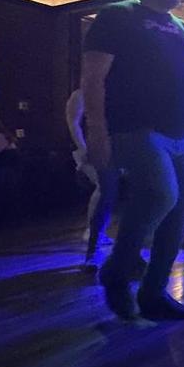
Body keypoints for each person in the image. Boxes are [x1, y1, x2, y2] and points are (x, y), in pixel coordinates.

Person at [81, 0, 184, 321]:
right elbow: (93, 77)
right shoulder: (117, 15)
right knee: (161, 194)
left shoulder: (183, 28)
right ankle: (117, 272)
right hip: (133, 127)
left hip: (180, 132)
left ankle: (154, 293)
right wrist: (96, 130)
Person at [66, 88, 120, 268]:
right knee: (103, 190)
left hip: (108, 147)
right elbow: (73, 122)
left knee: (104, 190)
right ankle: (92, 235)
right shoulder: (80, 94)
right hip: (92, 148)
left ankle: (94, 237)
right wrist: (83, 148)